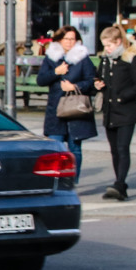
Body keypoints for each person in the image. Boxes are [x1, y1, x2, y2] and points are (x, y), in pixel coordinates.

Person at [93, 25, 136, 201]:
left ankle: (120, 184)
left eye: (109, 45)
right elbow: (100, 77)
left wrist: (124, 97)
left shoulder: (129, 59)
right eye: (104, 46)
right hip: (110, 112)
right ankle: (119, 183)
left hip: (126, 111)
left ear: (118, 42)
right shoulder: (105, 60)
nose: (106, 49)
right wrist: (97, 84)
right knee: (114, 150)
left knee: (123, 148)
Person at [37, 25, 96, 181]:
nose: (70, 42)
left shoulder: (83, 58)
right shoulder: (51, 57)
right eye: (66, 39)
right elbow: (41, 80)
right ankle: (57, 181)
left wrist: (75, 87)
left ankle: (73, 182)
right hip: (56, 109)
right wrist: (56, 72)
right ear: (59, 40)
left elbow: (91, 81)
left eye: (73, 39)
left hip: (76, 108)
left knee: (75, 149)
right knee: (55, 148)